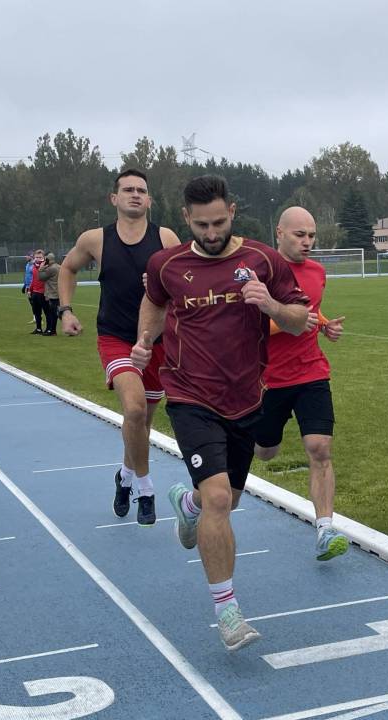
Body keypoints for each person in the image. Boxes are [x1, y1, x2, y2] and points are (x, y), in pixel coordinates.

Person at [132, 175, 308, 651]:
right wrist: (145, 341)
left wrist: (270, 304)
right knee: (216, 499)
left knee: (223, 502)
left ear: (232, 211)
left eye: (218, 222)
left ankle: (186, 505)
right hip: (190, 394)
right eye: (201, 225)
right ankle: (228, 612)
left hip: (247, 398)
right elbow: (154, 302)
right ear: (186, 218)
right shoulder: (167, 264)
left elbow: (299, 320)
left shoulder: (263, 261)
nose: (211, 233)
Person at [58, 169, 181, 525]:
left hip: (155, 340)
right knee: (135, 409)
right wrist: (65, 311)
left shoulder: (166, 238)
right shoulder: (96, 239)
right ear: (114, 198)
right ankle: (146, 489)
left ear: (150, 199)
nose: (135, 194)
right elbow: (67, 268)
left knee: (142, 422)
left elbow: (184, 281)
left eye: (141, 190)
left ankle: (124, 477)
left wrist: (161, 281)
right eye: (128, 189)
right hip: (115, 338)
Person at [253, 207, 348, 561]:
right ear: (279, 233)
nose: (307, 241)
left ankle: (325, 529)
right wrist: (290, 322)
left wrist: (325, 325)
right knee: (265, 451)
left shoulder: (318, 272)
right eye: (299, 235)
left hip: (311, 371)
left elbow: (311, 308)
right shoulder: (260, 272)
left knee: (320, 447)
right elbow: (249, 325)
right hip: (269, 379)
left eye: (311, 235)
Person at [38, 252, 61, 335]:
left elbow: (41, 277)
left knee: (54, 313)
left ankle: (52, 331)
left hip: (53, 293)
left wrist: (40, 269)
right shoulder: (58, 266)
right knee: (59, 311)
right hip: (58, 291)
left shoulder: (51, 268)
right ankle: (53, 330)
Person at [27, 249, 47, 335]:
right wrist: (29, 290)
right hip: (35, 292)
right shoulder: (34, 266)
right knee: (37, 312)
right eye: (36, 257)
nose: (38, 259)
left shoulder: (46, 266)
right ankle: (38, 329)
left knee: (47, 312)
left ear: (44, 257)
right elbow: (33, 279)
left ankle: (49, 329)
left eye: (40, 257)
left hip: (43, 293)